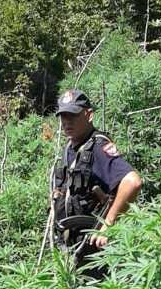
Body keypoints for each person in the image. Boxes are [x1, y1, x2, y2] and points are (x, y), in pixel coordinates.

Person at [52, 88, 142, 265]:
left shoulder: (98, 148)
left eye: (72, 116)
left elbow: (133, 182)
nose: (66, 122)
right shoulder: (70, 148)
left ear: (89, 115)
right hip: (71, 245)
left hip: (95, 251)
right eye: (63, 117)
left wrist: (107, 225)